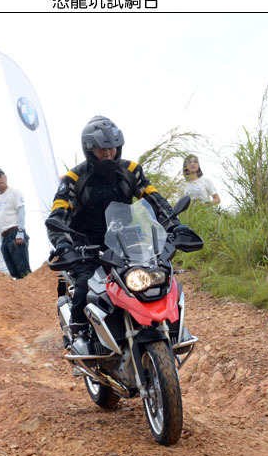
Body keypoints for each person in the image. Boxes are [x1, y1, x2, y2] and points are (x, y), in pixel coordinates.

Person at [48, 115, 181, 354]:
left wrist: (175, 225)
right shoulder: (74, 178)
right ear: (89, 150)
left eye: (112, 147)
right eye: (102, 149)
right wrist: (63, 244)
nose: (108, 153)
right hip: (86, 245)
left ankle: (172, 328)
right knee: (84, 285)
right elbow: (59, 212)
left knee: (159, 275)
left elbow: (154, 198)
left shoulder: (130, 170)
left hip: (125, 240)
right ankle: (79, 333)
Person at [0, 168, 31, 279]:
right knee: (14, 272)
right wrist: (2, 240)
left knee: (23, 270)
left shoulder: (14, 192)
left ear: (5, 177)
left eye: (0, 177)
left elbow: (21, 211)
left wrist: (20, 231)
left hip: (15, 233)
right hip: (4, 237)